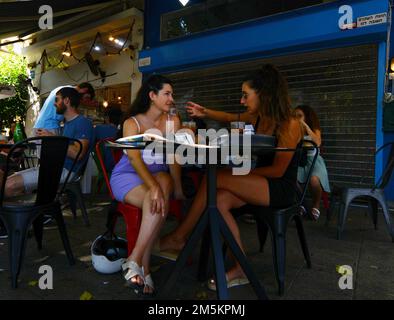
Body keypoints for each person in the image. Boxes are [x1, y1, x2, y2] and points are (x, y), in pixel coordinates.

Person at [160, 64, 303, 289]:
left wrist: (240, 175)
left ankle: (179, 237)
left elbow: (278, 172)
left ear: (264, 94)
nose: (242, 101)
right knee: (218, 199)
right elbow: (229, 116)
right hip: (261, 182)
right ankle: (240, 267)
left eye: (246, 95)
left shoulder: (289, 123)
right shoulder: (258, 117)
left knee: (214, 177)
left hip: (280, 188)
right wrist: (204, 112)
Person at [109, 74, 185, 296]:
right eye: (167, 94)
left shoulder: (173, 121)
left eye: (172, 94)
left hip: (158, 175)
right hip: (128, 175)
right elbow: (134, 159)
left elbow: (173, 157)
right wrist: (152, 187)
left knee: (163, 183)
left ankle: (134, 260)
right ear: (152, 95)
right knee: (156, 198)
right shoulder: (132, 122)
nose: (172, 98)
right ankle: (144, 266)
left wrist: (178, 187)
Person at [0, 87, 94, 199]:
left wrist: (53, 137)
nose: (54, 104)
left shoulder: (83, 122)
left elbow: (77, 154)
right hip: (53, 166)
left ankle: (34, 211)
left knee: (7, 185)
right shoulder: (66, 124)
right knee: (3, 180)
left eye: (57, 100)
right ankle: (37, 210)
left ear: (67, 101)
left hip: (65, 171)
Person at [295, 105, 330, 220]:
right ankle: (302, 204)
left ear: (307, 117)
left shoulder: (314, 129)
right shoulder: (295, 129)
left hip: (315, 160)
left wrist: (305, 126)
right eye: (295, 116)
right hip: (301, 160)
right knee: (292, 178)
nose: (297, 118)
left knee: (314, 180)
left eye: (300, 116)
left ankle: (316, 205)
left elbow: (318, 142)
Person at [94, 105, 122, 171]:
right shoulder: (123, 132)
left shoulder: (98, 129)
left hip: (104, 168)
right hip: (119, 167)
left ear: (107, 118)